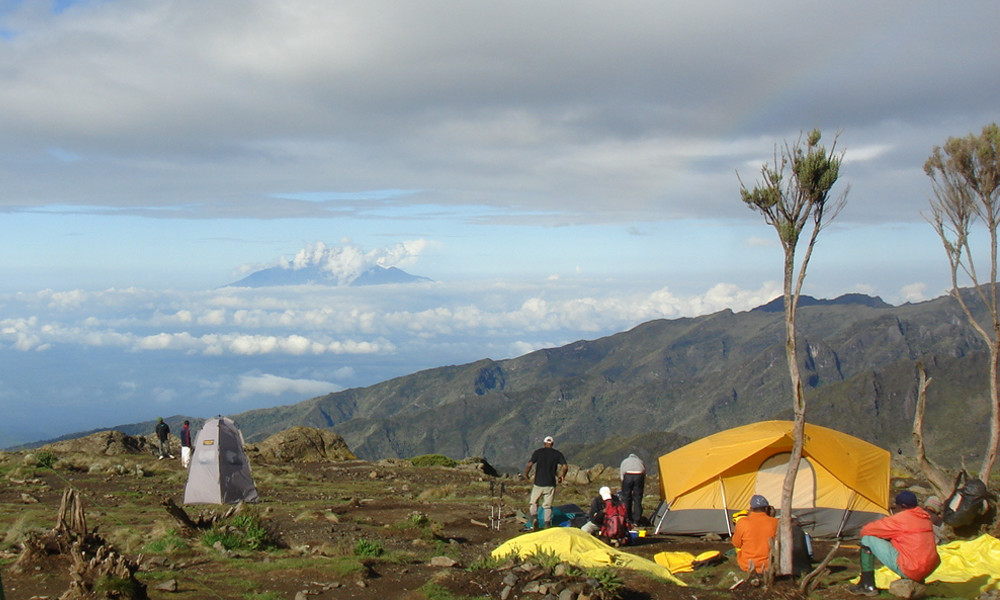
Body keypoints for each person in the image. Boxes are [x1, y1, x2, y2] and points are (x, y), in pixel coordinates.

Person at [848, 491, 941, 597]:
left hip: (912, 568)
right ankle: (916, 580)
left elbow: (866, 530)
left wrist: (886, 533)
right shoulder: (925, 518)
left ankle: (867, 584)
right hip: (929, 568)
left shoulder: (900, 519)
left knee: (867, 539)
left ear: (902, 506)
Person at [523, 435, 568, 530]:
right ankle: (547, 524)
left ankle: (534, 518)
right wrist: (562, 476)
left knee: (533, 502)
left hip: (538, 482)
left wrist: (526, 474)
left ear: (544, 443)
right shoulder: (557, 454)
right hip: (550, 483)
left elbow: (529, 464)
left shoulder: (538, 452)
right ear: (552, 444)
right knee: (547, 506)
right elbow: (565, 467)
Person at [731, 494, 778, 574]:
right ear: (767, 508)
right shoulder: (776, 522)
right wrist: (772, 517)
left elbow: (737, 544)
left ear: (751, 508)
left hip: (747, 565)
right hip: (768, 565)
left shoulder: (742, 522)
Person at [619, 453, 647, 526]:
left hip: (628, 475)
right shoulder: (640, 461)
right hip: (639, 475)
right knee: (637, 498)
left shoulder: (625, 461)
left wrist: (623, 481)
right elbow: (644, 471)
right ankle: (636, 519)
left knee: (626, 497)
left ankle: (627, 518)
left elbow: (622, 472)